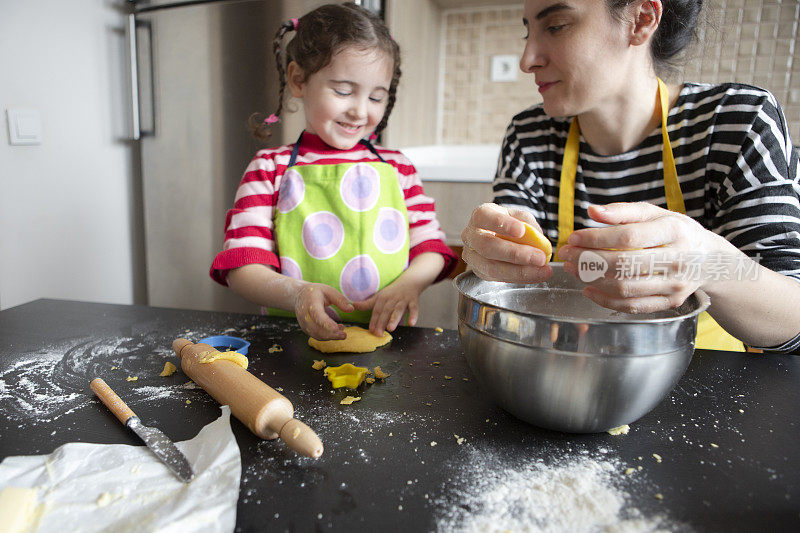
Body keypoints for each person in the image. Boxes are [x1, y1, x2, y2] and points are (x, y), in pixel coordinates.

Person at [461, 0, 800, 353]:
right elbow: (507, 268)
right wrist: (494, 251)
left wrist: (708, 262)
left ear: (641, 19)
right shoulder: (528, 134)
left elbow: (791, 319)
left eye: (556, 26)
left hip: (705, 376)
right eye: (527, 31)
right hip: (565, 365)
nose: (526, 60)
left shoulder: (739, 122)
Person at [210, 3, 456, 341]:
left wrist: (410, 284)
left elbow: (431, 246)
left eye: (376, 97)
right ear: (298, 79)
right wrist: (296, 293)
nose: (359, 111)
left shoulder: (398, 167)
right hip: (292, 342)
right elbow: (242, 266)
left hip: (387, 339)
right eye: (343, 91)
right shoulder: (270, 168)